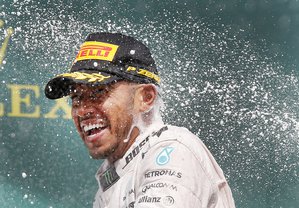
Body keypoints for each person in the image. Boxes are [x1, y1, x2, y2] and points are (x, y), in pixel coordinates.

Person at [44, 32, 235, 208]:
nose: (83, 109)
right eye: (76, 98)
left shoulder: (172, 149)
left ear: (146, 98)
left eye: (98, 92)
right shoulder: (114, 173)